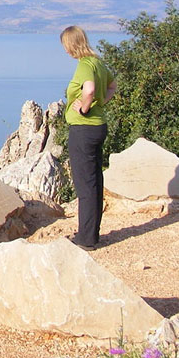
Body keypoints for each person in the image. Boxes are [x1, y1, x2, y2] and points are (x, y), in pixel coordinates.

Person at [61, 25, 116, 250]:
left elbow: (90, 89)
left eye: (65, 45)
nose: (65, 51)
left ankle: (85, 239)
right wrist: (100, 104)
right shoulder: (98, 63)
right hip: (98, 127)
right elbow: (112, 86)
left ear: (71, 44)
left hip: (83, 129)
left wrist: (84, 107)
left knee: (85, 185)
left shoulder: (84, 65)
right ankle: (91, 234)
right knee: (94, 182)